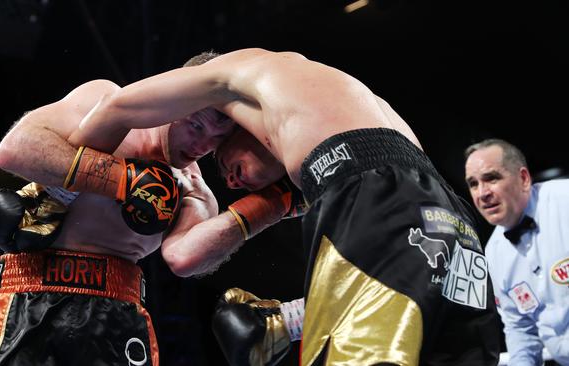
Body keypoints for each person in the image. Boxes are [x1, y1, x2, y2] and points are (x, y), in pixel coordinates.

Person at [66, 48, 501, 365]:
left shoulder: (238, 71)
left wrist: (56, 193)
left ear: (233, 120)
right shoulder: (347, 102)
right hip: (450, 216)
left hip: (371, 197)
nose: (230, 179)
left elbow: (117, 106)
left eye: (223, 157)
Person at [0, 52, 244, 366]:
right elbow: (15, 150)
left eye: (216, 139)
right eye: (197, 126)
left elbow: (186, 259)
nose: (202, 145)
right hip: (31, 297)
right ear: (175, 100)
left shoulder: (194, 191)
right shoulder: (108, 106)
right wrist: (122, 181)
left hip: (115, 313)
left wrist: (267, 208)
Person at [464, 138, 569, 366]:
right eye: (473, 184)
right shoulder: (493, 255)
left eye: (491, 178)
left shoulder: (565, 201)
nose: (482, 193)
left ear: (523, 178)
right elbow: (521, 330)